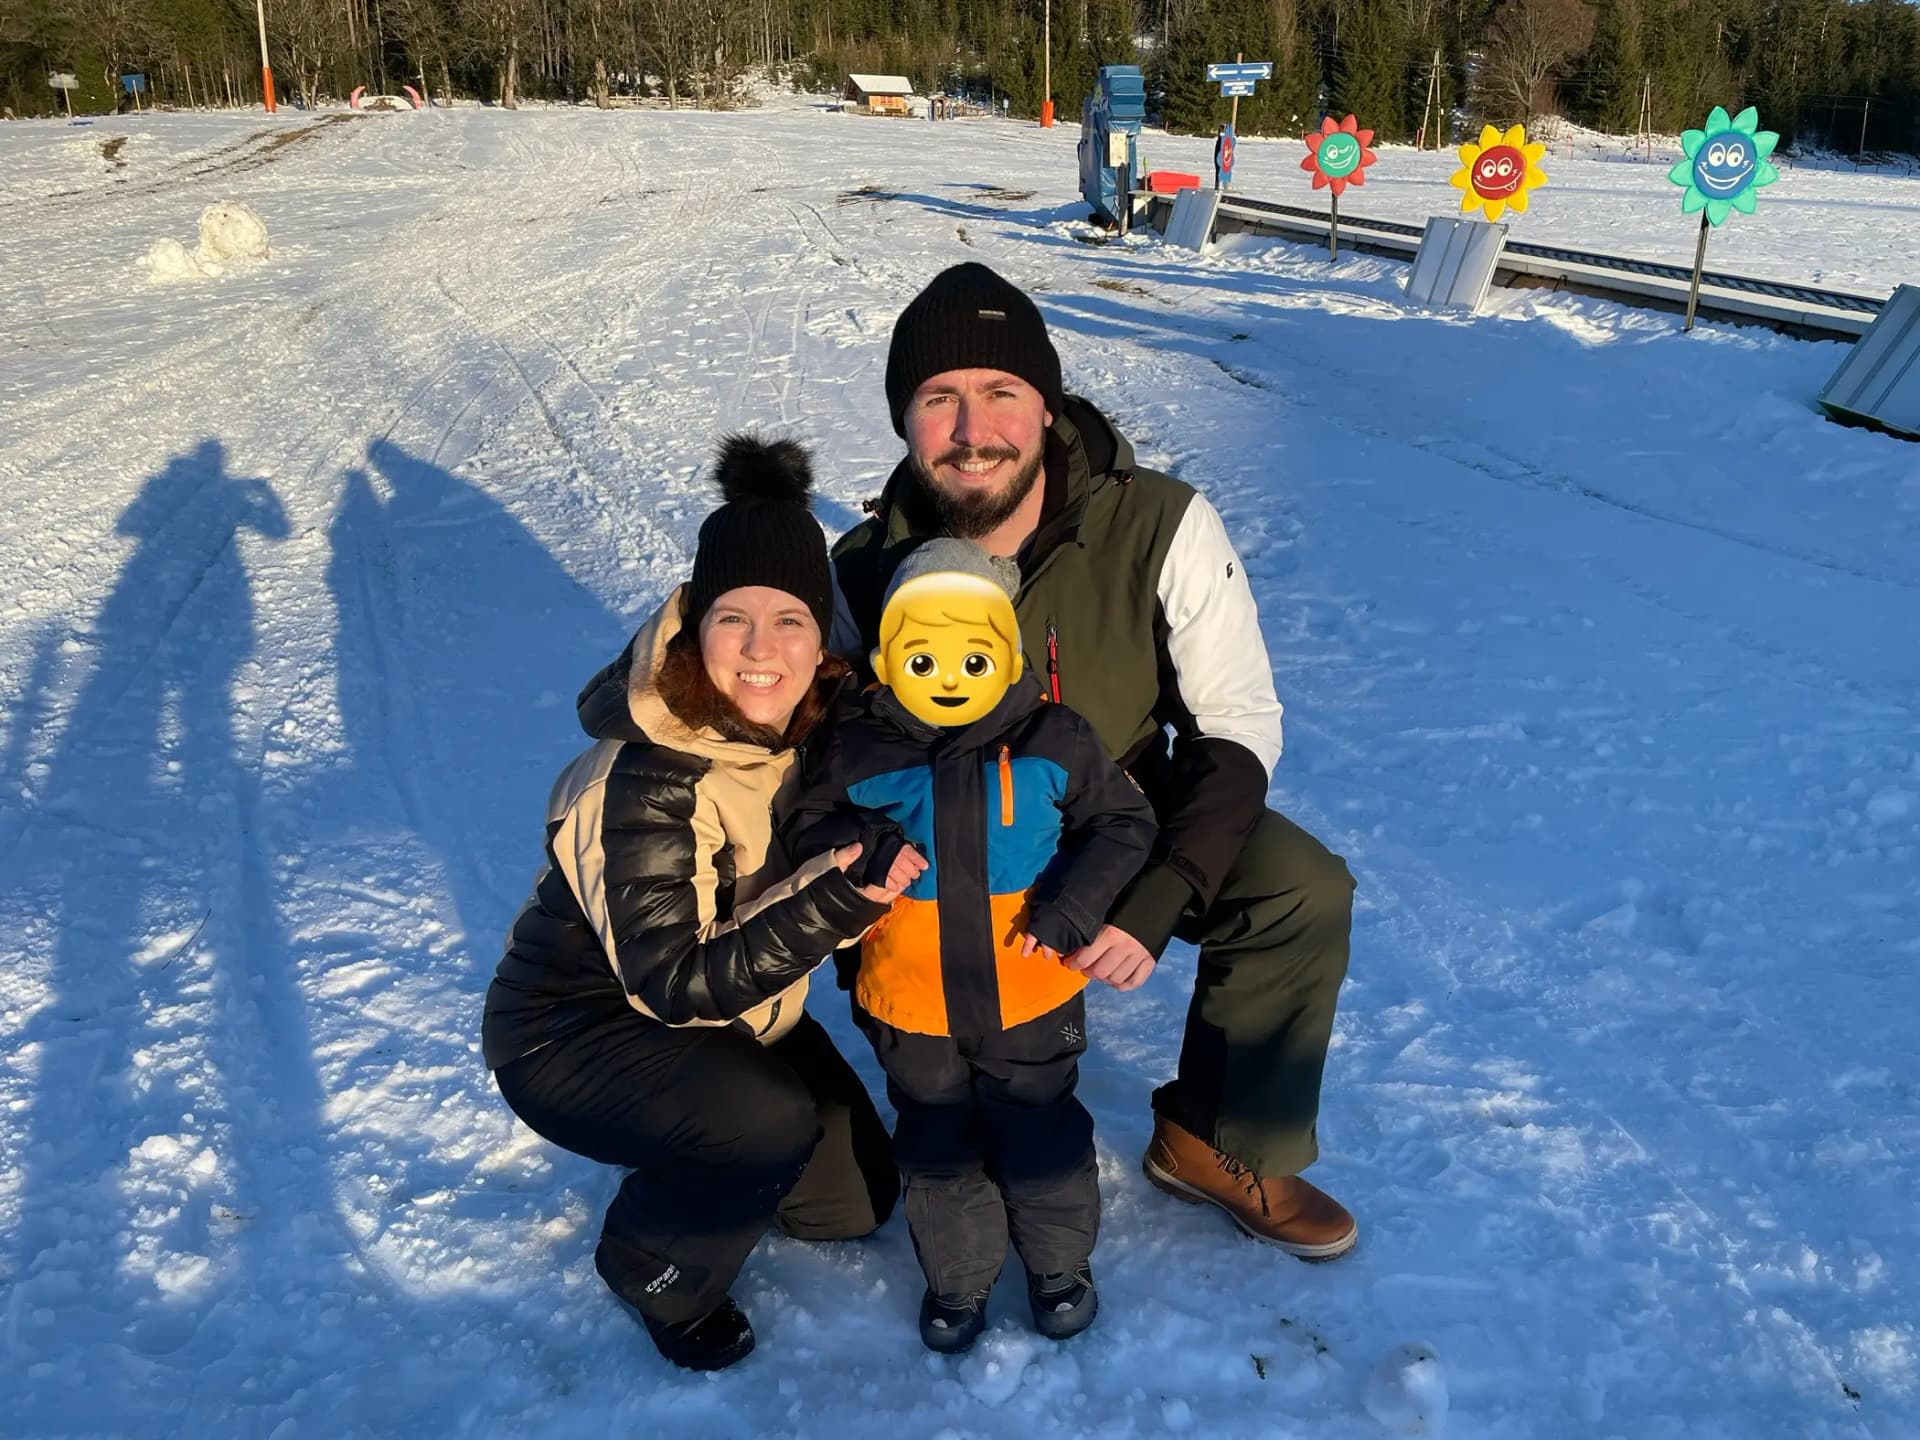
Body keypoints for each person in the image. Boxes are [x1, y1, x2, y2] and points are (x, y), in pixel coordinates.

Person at [830, 262, 1361, 1262]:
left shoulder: (1158, 522)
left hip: (1121, 796)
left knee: (1298, 888)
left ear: (1047, 403)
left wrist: (1159, 892)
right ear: (905, 420)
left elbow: (1238, 721)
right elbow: (828, 748)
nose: (973, 429)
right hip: (944, 821)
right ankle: (943, 1109)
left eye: (1001, 394)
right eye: (939, 400)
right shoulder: (865, 565)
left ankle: (1215, 1139)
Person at [481, 435, 927, 1373]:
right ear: (693, 629)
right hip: (574, 1032)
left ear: (825, 639)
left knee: (854, 1204)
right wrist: (840, 896)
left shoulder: (801, 725)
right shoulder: (643, 776)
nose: (762, 650)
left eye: (790, 620)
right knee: (761, 1126)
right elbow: (674, 982)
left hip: (736, 1009)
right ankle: (652, 1264)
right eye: (733, 619)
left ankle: (715, 1150)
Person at [786, 539, 1156, 1353]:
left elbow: (1124, 824)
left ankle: (1059, 1268)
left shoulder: (1055, 737)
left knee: (1040, 1130)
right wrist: (867, 849)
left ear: (1008, 651)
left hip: (1032, 989)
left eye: (972, 656)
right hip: (908, 999)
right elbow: (805, 826)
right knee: (936, 1139)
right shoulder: (855, 746)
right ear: (887, 657)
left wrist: (1071, 907)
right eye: (924, 658)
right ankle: (958, 1280)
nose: (949, 677)